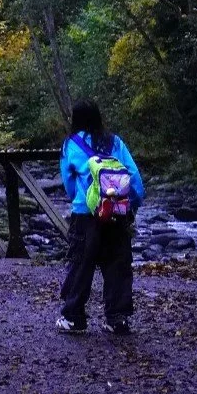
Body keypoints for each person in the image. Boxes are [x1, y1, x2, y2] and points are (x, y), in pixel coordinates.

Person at [56, 99, 144, 335]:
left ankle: (73, 317)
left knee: (80, 264)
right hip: (117, 212)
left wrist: (85, 201)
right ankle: (117, 318)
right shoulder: (115, 142)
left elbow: (70, 186)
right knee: (118, 265)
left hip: (86, 216)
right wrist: (131, 207)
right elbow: (135, 179)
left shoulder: (70, 145)